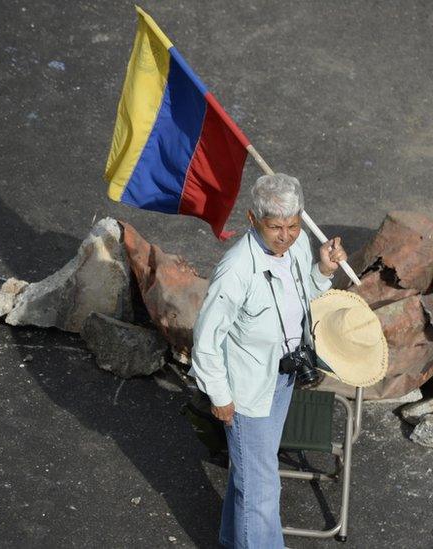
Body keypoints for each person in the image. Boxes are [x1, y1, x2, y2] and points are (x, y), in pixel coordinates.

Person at [188, 173, 348, 548]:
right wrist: (219, 395)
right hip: (246, 391)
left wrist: (323, 270)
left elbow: (300, 297)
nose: (285, 235)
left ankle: (232, 540)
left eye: (292, 225)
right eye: (275, 226)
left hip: (283, 377)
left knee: (251, 476)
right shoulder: (235, 271)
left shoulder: (298, 245)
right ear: (251, 219)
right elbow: (206, 339)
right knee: (261, 490)